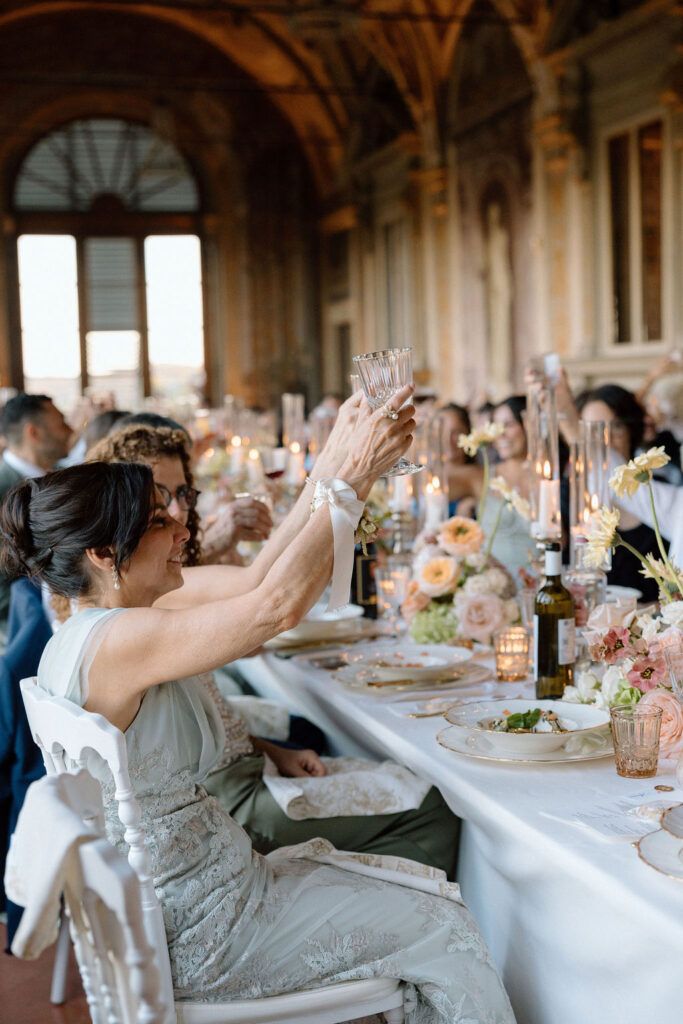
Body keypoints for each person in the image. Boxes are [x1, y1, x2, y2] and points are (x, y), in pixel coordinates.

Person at [0, 391, 514, 1022]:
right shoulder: (119, 641)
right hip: (207, 928)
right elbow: (274, 607)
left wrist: (333, 468)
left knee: (411, 893)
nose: (182, 528)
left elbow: (261, 584)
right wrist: (349, 479)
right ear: (105, 555)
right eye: (160, 522)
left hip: (199, 896)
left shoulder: (101, 628)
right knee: (445, 923)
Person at [88, 422, 461, 876]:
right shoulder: (142, 607)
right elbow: (269, 596)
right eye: (157, 509)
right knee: (434, 802)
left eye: (181, 494)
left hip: (223, 781)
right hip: (221, 809)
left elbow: (178, 722)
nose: (178, 517)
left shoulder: (117, 604)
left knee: (377, 766)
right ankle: (380, 911)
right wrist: (348, 468)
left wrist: (266, 749)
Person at [564, 382, 666, 602]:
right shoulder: (566, 500)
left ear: (632, 431)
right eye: (593, 431)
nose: (604, 441)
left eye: (616, 427)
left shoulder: (656, 497)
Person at [0, 394, 72, 617]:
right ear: (34, 433)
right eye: (61, 423)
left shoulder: (65, 477)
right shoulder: (2, 490)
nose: (70, 430)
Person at [446, 396, 533, 581]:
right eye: (496, 426)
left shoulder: (549, 477)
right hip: (495, 584)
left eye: (508, 424)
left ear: (529, 425)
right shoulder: (482, 476)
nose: (501, 434)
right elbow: (434, 483)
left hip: (540, 583)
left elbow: (561, 541)